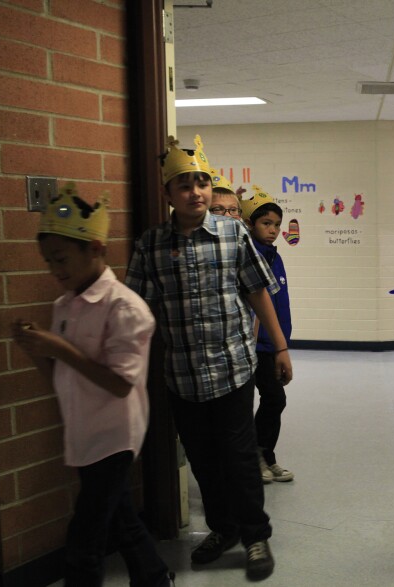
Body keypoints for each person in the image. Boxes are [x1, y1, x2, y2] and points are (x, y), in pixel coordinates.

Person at [124, 135, 293, 581]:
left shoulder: (233, 232)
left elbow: (258, 290)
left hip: (234, 368)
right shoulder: (151, 245)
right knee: (201, 459)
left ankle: (256, 534)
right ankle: (224, 529)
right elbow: (136, 311)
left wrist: (280, 346)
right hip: (182, 376)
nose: (195, 191)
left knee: (239, 456)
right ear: (168, 194)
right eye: (184, 184)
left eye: (201, 182)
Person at [11, 184, 173, 587]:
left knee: (84, 539)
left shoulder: (126, 309)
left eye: (62, 259)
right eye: (48, 262)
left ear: (96, 249)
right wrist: (36, 350)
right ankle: (154, 577)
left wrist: (58, 347)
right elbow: (60, 378)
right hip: (83, 431)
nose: (55, 271)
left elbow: (119, 385)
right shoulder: (64, 304)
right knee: (121, 519)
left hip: (113, 436)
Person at [240, 185, 294, 484]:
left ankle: (265, 454)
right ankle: (255, 457)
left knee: (275, 400)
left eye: (276, 225)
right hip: (253, 346)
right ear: (250, 224)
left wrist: (282, 345)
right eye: (266, 224)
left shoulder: (275, 256)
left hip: (274, 345)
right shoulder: (249, 255)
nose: (273, 230)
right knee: (266, 399)